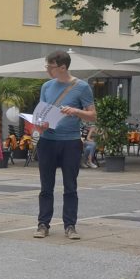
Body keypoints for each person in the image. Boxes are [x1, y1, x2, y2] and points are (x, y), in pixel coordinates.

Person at [34, 50, 96, 240]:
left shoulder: (82, 87)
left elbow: (93, 115)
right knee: (46, 186)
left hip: (70, 142)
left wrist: (76, 111)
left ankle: (70, 225)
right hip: (48, 141)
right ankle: (43, 224)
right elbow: (41, 113)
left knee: (70, 186)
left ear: (62, 67)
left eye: (50, 67)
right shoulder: (46, 86)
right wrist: (39, 122)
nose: (47, 70)